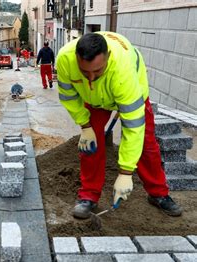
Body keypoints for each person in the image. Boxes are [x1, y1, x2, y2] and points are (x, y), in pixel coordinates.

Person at [56, 32, 182, 219]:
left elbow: (133, 128)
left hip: (130, 92)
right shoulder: (65, 60)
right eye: (85, 72)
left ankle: (158, 193)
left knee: (146, 145)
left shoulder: (123, 71)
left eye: (97, 71)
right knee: (89, 145)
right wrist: (85, 125)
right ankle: (88, 196)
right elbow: (68, 96)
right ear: (76, 59)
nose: (90, 78)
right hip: (94, 99)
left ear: (107, 58)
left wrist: (125, 172)